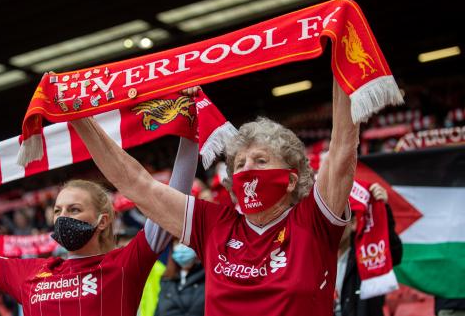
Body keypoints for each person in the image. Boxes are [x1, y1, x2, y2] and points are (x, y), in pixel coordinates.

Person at [69, 79, 358, 316]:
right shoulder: (214, 223)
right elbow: (134, 182)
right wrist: (78, 115)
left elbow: (343, 149)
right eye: (240, 164)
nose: (247, 170)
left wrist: (341, 54)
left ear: (291, 179)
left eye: (260, 160)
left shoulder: (313, 221)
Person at [0, 133, 198, 316]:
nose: (62, 217)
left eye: (74, 209)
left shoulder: (124, 264)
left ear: (102, 220)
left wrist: (188, 135)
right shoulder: (32, 272)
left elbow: (170, 201)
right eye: (57, 210)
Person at [335, 183, 403, 316]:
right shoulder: (313, 258)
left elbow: (394, 255)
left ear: (353, 223)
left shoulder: (366, 254)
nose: (333, 225)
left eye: (340, 219)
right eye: (328, 219)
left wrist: (383, 211)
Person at [155, 240, 205, 316]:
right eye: (177, 242)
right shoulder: (167, 279)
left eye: (186, 242)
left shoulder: (208, 279)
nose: (181, 246)